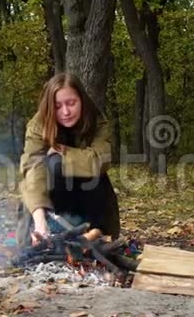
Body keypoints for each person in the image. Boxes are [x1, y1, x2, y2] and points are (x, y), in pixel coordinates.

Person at [16, 72, 120, 249]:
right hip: (52, 198)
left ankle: (96, 232)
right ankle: (48, 231)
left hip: (88, 198)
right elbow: (32, 171)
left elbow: (99, 161)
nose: (65, 112)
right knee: (51, 166)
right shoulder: (38, 125)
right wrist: (39, 222)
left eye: (71, 103)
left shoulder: (97, 120)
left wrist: (63, 152)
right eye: (57, 106)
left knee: (90, 171)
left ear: (82, 100)